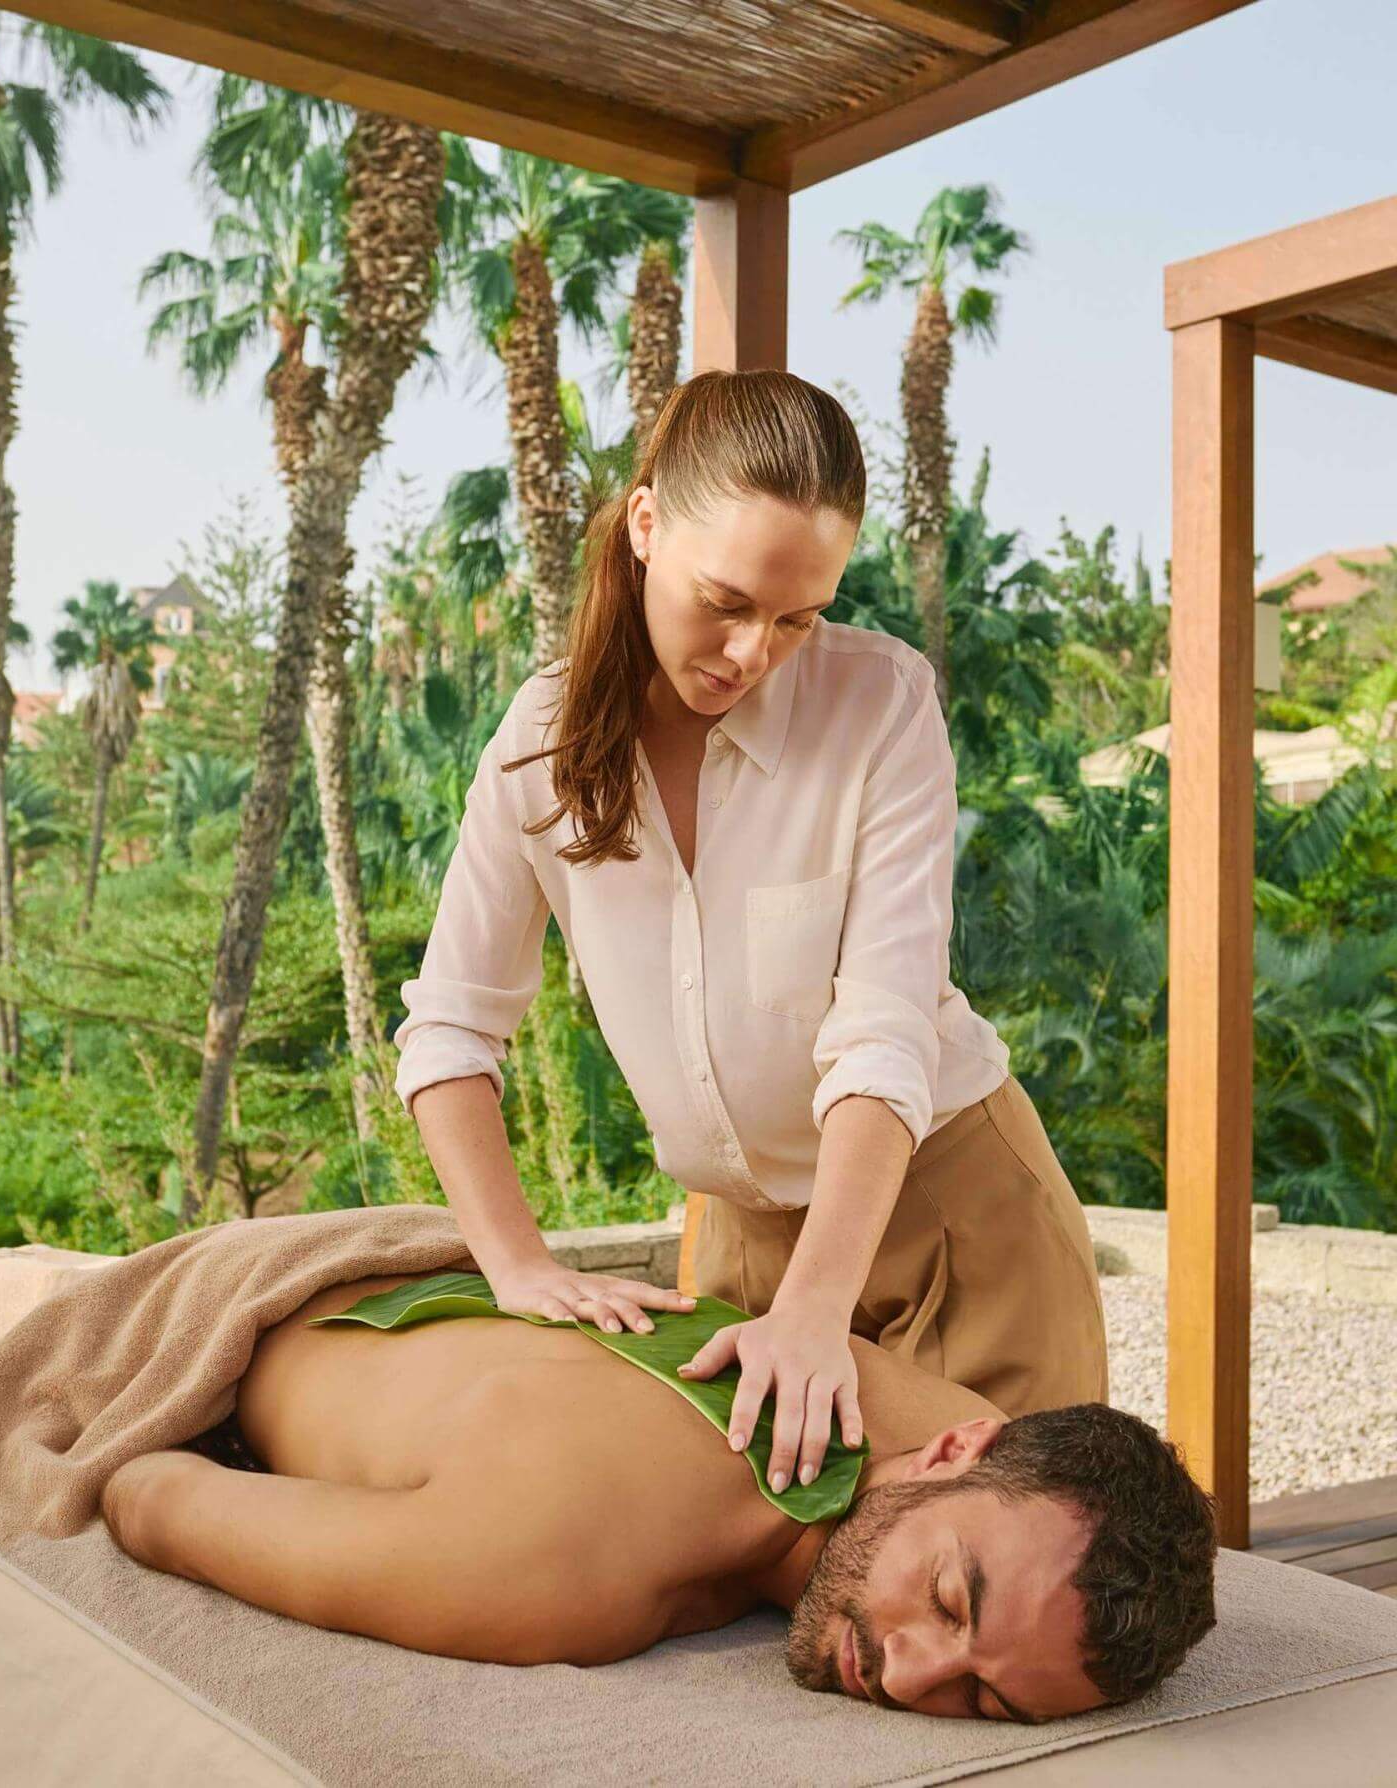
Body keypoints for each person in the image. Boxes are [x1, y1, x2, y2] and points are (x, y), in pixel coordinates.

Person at [392, 367, 1109, 1503]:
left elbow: (882, 1033)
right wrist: (516, 1264)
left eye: (796, 616)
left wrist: (816, 1313)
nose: (750, 650)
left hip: (954, 1218)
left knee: (1000, 1575)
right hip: (735, 1243)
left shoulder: (879, 703)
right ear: (642, 526)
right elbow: (447, 1032)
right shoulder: (535, 741)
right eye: (723, 600)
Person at [102, 1269, 1217, 1720]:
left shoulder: (966, 1441)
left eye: (984, 1706)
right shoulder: (551, 1571)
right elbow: (151, 1495)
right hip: (284, 1296)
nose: (910, 1673)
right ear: (953, 1451)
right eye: (950, 1602)